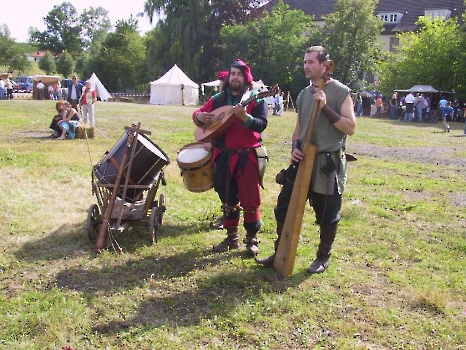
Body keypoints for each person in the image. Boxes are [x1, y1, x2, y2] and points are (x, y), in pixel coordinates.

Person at [256, 45, 356, 274]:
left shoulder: (340, 91)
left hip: (326, 165)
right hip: (302, 162)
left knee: (327, 215)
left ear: (324, 65)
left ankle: (323, 257)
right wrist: (294, 148)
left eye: (311, 62)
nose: (306, 66)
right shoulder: (303, 94)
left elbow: (350, 127)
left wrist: (326, 107)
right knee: (283, 207)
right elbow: (298, 129)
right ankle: (280, 250)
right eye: (304, 62)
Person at [192, 59, 268, 256]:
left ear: (246, 78)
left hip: (246, 157)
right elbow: (199, 114)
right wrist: (199, 118)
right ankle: (231, 237)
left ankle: (252, 239)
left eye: (239, 74)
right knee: (227, 198)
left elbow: (261, 124)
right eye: (233, 73)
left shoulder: (257, 99)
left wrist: (245, 118)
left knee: (250, 199)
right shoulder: (218, 99)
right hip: (223, 157)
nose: (235, 77)